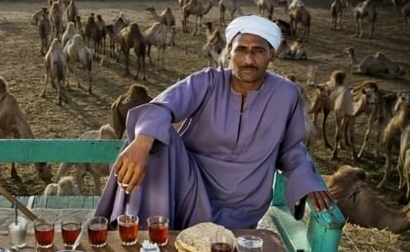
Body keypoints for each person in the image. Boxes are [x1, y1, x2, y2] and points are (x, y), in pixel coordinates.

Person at [95, 15, 333, 230]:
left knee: (151, 136)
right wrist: (142, 142)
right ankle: (146, 237)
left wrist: (307, 181)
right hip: (192, 188)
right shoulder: (207, 82)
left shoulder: (286, 94)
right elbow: (162, 107)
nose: (249, 59)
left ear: (272, 54)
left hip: (244, 203)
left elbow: (291, 149)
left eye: (258, 51)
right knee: (155, 138)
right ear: (229, 52)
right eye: (241, 50)